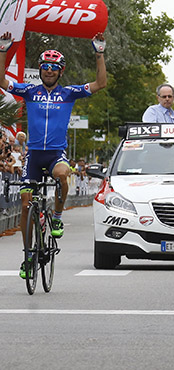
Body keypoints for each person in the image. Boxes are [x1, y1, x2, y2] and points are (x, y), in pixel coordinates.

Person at [0, 31, 107, 278]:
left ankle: (57, 216)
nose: (49, 71)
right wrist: (3, 51)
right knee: (26, 206)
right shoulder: (30, 91)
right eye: (45, 67)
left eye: (54, 67)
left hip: (56, 153)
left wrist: (99, 54)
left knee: (62, 173)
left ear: (61, 71)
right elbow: (3, 82)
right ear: (40, 70)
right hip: (34, 156)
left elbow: (100, 84)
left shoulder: (68, 93)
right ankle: (28, 257)